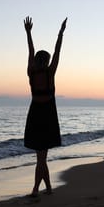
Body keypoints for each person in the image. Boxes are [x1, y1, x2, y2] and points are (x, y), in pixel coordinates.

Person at [23, 16, 67, 197]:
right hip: (47, 116)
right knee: (42, 157)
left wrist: (28, 33)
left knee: (40, 157)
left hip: (36, 115)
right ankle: (43, 189)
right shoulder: (50, 72)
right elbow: (58, 51)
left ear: (35, 60)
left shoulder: (31, 72)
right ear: (47, 61)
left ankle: (40, 189)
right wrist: (60, 33)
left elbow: (30, 50)